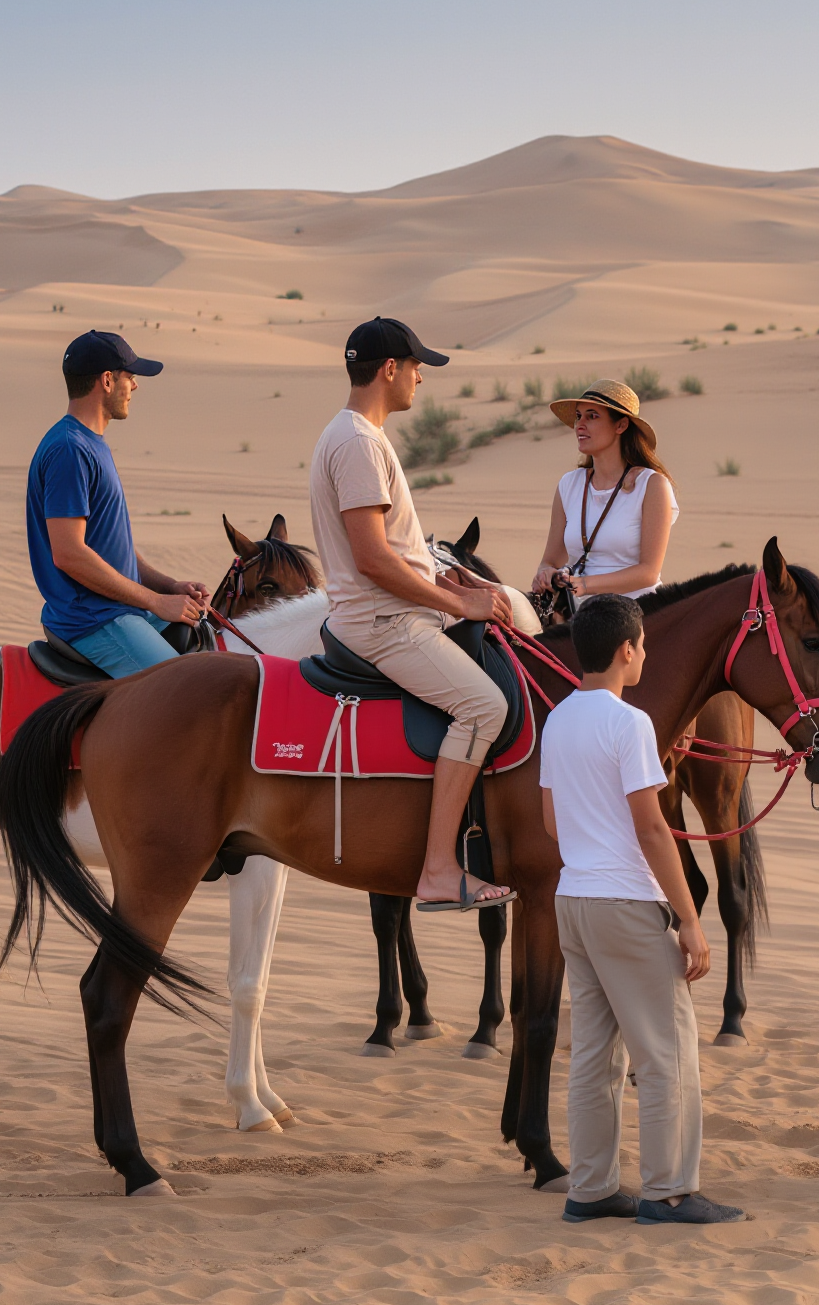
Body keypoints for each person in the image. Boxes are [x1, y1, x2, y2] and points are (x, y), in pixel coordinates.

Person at [545, 594, 744, 1226]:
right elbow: (654, 829)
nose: (645, 656)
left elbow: (552, 822)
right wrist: (690, 920)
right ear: (627, 649)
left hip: (574, 899)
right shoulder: (630, 723)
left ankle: (592, 1188)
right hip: (626, 902)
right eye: (643, 647)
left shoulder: (557, 718)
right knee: (667, 1054)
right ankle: (669, 1191)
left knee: (594, 1057)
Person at [306, 317, 516, 912]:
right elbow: (372, 559)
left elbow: (392, 551)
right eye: (417, 366)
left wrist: (444, 578)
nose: (421, 377)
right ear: (390, 369)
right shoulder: (358, 443)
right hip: (384, 624)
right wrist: (461, 603)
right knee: (485, 707)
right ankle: (439, 868)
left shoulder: (357, 435)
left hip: (392, 612)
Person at [26, 330, 210, 676]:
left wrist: (168, 587)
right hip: (94, 620)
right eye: (130, 376)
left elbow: (109, 547)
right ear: (107, 380)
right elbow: (69, 554)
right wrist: (157, 602)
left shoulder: (90, 442)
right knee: (189, 687)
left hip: (121, 609)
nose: (135, 386)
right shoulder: (70, 449)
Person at [528, 379, 678, 614]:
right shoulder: (569, 484)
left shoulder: (651, 485)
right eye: (578, 416)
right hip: (578, 612)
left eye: (592, 416)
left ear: (621, 425)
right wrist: (546, 574)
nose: (580, 425)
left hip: (636, 612)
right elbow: (550, 561)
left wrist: (585, 584)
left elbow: (648, 572)